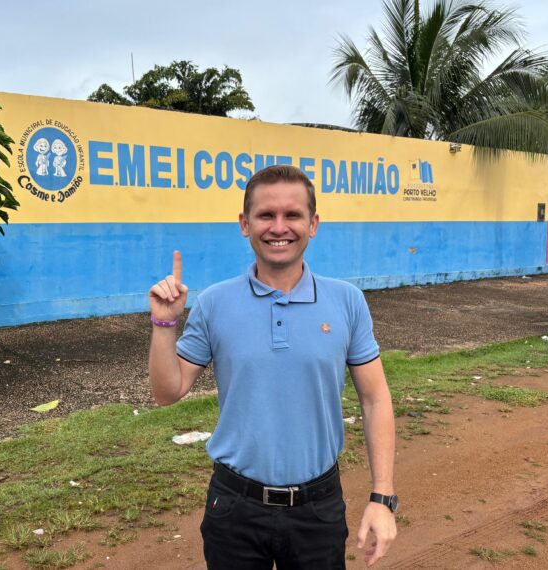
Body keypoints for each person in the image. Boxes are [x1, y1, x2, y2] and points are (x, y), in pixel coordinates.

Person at [148, 165, 397, 568]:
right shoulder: (214, 303)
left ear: (313, 224)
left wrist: (382, 497)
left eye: (292, 215)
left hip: (318, 509)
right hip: (234, 508)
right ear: (245, 224)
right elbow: (166, 392)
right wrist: (163, 324)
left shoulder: (347, 301)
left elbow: (375, 399)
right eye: (266, 215)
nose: (279, 227)